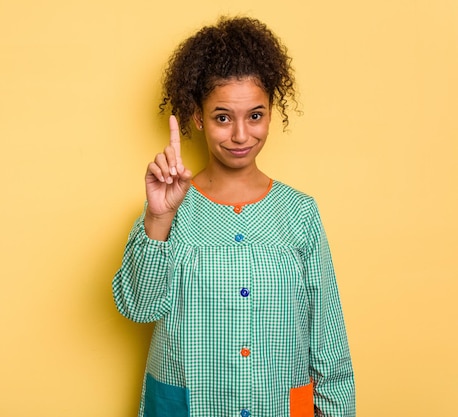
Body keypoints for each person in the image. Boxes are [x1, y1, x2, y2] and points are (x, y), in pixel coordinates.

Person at [112, 16, 355, 417]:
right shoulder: (172, 209)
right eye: (223, 117)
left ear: (271, 112)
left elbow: (328, 343)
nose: (241, 135)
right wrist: (158, 219)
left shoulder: (300, 212)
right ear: (197, 118)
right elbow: (138, 308)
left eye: (255, 115)